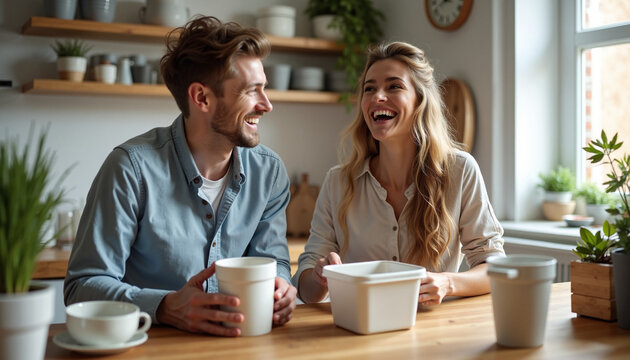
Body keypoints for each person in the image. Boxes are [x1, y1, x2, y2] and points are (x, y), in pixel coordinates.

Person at [64, 16, 297, 337]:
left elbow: (272, 261)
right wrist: (164, 306)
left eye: (264, 89)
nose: (267, 105)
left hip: (243, 344)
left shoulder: (269, 172)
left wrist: (282, 288)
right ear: (201, 97)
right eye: (251, 91)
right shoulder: (130, 168)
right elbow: (82, 286)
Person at [293, 41, 505, 304]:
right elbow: (306, 289)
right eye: (369, 89)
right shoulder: (338, 182)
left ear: (420, 100)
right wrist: (319, 276)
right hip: (360, 330)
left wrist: (447, 283)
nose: (377, 97)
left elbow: (496, 268)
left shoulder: (460, 171)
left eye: (394, 86)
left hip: (436, 334)